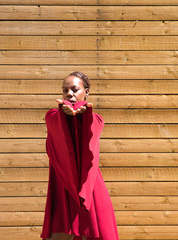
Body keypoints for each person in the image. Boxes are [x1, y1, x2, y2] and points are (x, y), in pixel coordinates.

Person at [40, 72, 119, 240]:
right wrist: (65, 115)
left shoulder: (96, 120)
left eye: (75, 89)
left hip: (89, 190)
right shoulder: (52, 117)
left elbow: (90, 140)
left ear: (86, 91)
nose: (69, 94)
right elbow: (57, 135)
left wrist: (83, 118)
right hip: (62, 190)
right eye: (65, 90)